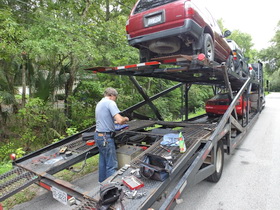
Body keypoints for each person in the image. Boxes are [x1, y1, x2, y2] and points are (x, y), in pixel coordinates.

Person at [94, 87, 129, 182]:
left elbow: (106, 118)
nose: (115, 99)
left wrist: (114, 122)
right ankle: (111, 188)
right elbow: (120, 120)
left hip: (98, 135)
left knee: (103, 161)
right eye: (115, 97)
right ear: (112, 95)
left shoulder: (100, 103)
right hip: (106, 137)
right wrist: (125, 119)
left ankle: (102, 183)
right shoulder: (110, 102)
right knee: (112, 164)